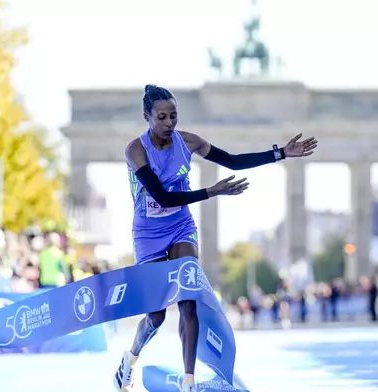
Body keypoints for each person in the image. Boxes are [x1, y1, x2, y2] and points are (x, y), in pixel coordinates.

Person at [114, 84, 318, 392]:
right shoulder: (136, 150)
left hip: (181, 226)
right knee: (155, 315)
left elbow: (233, 161)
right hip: (148, 233)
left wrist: (281, 153)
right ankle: (130, 358)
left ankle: (188, 380)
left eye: (174, 116)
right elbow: (162, 196)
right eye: (162, 117)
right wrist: (213, 191)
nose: (170, 123)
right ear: (147, 117)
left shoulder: (189, 141)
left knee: (188, 301)